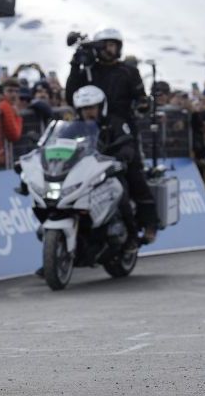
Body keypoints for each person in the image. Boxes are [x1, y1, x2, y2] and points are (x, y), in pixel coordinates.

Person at [65, 28, 158, 243]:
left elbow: (140, 98)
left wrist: (143, 104)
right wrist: (74, 65)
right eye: (106, 45)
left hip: (122, 130)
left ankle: (148, 222)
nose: (111, 50)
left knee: (133, 173)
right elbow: (71, 95)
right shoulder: (88, 71)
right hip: (91, 130)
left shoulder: (128, 71)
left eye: (114, 45)